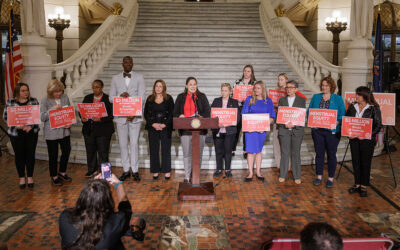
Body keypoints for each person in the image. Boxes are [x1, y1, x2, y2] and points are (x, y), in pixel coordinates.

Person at [59, 174, 132, 249]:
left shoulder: (65, 217)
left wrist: (93, 185)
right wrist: (118, 185)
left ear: (83, 197)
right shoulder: (115, 223)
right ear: (108, 201)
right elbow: (126, 208)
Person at [109, 56, 146, 182]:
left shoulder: (139, 77)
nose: (128, 64)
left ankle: (135, 170)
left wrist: (134, 113)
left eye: (130, 62)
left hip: (135, 117)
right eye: (125, 62)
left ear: (133, 64)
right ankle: (126, 170)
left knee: (134, 144)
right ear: (122, 64)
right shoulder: (115, 78)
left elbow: (142, 97)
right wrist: (119, 96)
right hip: (120, 118)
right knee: (123, 144)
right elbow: (110, 98)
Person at [308, 76, 345, 188]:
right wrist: (312, 121)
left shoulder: (338, 98)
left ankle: (330, 178)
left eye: (326, 85)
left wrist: (337, 122)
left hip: (332, 132)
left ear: (331, 87)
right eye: (323, 85)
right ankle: (319, 176)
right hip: (318, 131)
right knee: (319, 154)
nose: (324, 87)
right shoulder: (316, 97)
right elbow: (309, 112)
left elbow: (342, 115)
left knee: (331, 155)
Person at [346, 86, 382, 197]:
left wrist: (368, 135)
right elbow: (347, 121)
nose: (356, 96)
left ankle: (363, 186)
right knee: (356, 162)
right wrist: (348, 133)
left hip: (367, 141)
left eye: (359, 95)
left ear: (365, 96)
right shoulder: (352, 107)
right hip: (354, 140)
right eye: (356, 94)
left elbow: (378, 125)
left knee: (365, 163)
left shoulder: (374, 108)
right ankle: (357, 184)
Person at [173, 76, 210, 183]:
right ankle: (187, 176)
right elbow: (175, 113)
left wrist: (202, 117)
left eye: (194, 84)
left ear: (196, 85)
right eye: (190, 84)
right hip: (185, 130)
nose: (193, 86)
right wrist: (180, 115)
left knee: (198, 154)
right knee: (187, 154)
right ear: (186, 86)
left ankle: (196, 175)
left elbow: (208, 112)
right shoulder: (181, 97)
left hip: (200, 130)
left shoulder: (201, 97)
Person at [3, 83, 39, 188]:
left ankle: (30, 177)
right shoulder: (11, 102)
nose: (26, 92)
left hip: (31, 133)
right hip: (16, 133)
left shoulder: (33, 101)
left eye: (27, 90)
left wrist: (30, 126)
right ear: (17, 92)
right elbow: (5, 117)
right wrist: (16, 125)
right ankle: (22, 177)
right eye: (23, 91)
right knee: (19, 156)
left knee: (30, 155)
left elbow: (37, 116)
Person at [40, 79, 72, 186]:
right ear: (50, 91)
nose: (59, 94)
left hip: (64, 130)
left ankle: (62, 172)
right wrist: (52, 109)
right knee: (53, 155)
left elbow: (69, 112)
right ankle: (54, 176)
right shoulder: (45, 100)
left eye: (60, 91)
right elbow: (42, 117)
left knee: (66, 151)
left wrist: (70, 122)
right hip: (51, 132)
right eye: (56, 92)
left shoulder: (65, 97)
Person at [241, 81, 275, 182]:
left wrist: (264, 126)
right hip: (250, 130)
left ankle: (258, 172)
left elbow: (272, 116)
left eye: (258, 88)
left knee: (259, 151)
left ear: (263, 89)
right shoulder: (249, 99)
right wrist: (248, 126)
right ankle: (251, 172)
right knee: (250, 151)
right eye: (255, 88)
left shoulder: (268, 101)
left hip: (261, 131)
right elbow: (244, 114)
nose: (256, 90)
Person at [81, 79, 114, 178]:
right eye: (93, 87)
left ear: (102, 88)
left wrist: (101, 119)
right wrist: (82, 118)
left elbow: (112, 115)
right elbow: (82, 111)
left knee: (103, 153)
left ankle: (106, 173)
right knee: (90, 152)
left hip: (103, 131)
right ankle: (92, 170)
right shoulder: (87, 98)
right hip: (89, 130)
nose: (95, 89)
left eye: (97, 87)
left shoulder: (108, 99)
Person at [273, 73, 307, 168]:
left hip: (292, 122)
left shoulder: (290, 91)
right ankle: (281, 165)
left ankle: (291, 166)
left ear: (287, 81)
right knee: (279, 144)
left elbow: (303, 99)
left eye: (282, 79)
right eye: (279, 79)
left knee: (292, 148)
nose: (280, 81)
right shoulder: (276, 92)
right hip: (279, 120)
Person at [144, 80, 174, 180]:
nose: (158, 88)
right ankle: (155, 170)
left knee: (166, 149)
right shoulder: (149, 98)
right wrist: (153, 124)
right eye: (156, 86)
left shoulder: (169, 98)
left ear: (164, 88)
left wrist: (164, 124)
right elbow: (146, 114)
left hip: (165, 127)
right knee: (154, 149)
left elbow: (171, 113)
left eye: (160, 86)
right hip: (153, 127)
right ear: (154, 87)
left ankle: (166, 171)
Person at [277, 80, 306, 184]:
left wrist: (295, 124)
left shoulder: (301, 101)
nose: (288, 89)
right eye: (287, 87)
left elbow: (302, 116)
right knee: (284, 153)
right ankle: (282, 175)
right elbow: (279, 116)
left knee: (296, 153)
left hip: (297, 130)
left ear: (296, 89)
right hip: (284, 130)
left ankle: (297, 175)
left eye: (291, 87)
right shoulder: (282, 100)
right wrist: (283, 123)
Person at [211, 83, 241, 178]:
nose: (223, 92)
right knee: (218, 150)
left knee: (228, 151)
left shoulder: (234, 102)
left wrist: (228, 123)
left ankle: (227, 169)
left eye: (225, 90)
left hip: (230, 130)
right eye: (222, 90)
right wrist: (217, 123)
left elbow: (238, 117)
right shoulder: (216, 101)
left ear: (230, 92)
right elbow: (211, 114)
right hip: (218, 130)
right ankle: (219, 169)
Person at [233, 65, 256, 159]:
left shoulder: (254, 83)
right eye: (245, 71)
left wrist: (248, 100)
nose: (246, 73)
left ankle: (246, 150)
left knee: (246, 129)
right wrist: (236, 99)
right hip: (238, 107)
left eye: (248, 71)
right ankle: (232, 149)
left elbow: (257, 97)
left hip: (249, 109)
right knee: (236, 129)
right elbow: (231, 95)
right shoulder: (237, 82)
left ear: (252, 73)